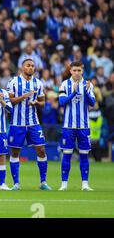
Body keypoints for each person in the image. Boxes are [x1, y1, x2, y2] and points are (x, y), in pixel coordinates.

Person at [6, 59, 52, 191]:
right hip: (17, 123)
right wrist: (24, 97)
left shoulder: (38, 83)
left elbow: (43, 102)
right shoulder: (13, 82)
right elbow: (10, 101)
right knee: (15, 152)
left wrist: (36, 103)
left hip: (33, 123)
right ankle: (16, 183)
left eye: (33, 66)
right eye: (28, 65)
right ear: (22, 67)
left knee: (41, 150)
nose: (31, 68)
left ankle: (43, 182)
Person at [58, 61, 96, 191]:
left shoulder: (87, 85)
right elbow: (61, 102)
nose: (77, 73)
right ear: (70, 71)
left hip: (84, 127)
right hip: (68, 127)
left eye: (79, 70)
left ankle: (85, 184)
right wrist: (73, 93)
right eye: (74, 70)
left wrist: (85, 91)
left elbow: (92, 103)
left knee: (84, 155)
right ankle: (64, 184)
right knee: (67, 154)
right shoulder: (65, 84)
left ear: (82, 71)